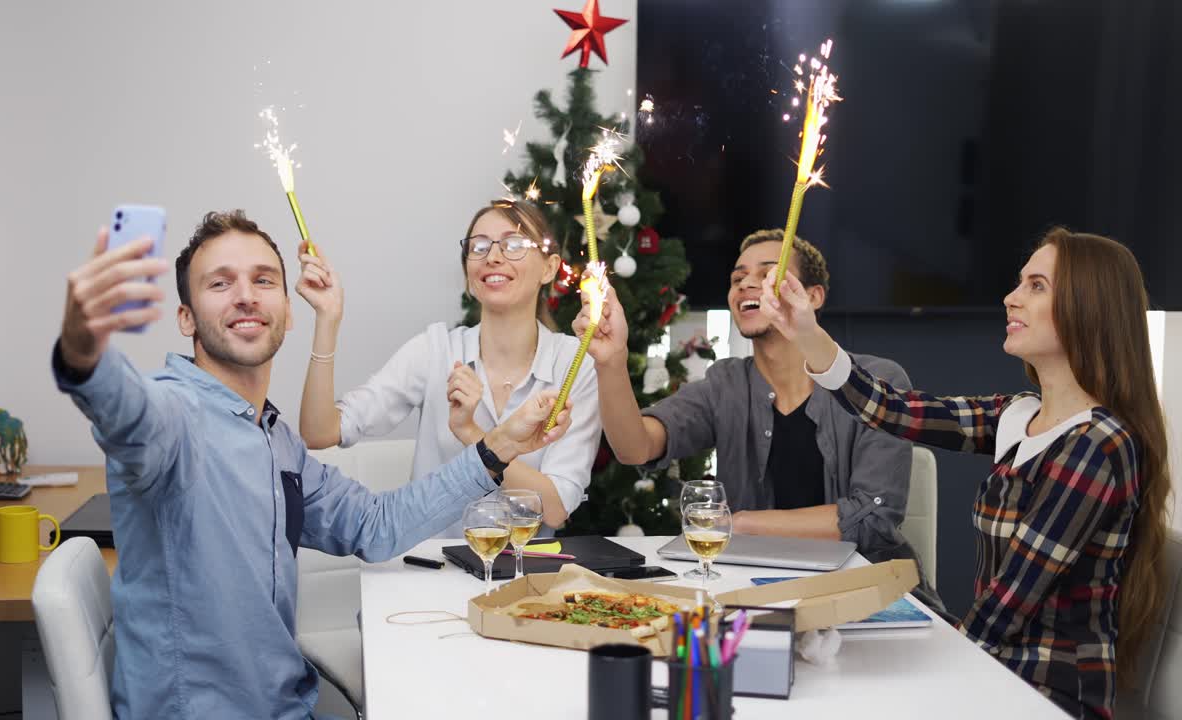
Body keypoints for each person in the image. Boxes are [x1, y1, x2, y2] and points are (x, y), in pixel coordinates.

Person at [53, 210, 572, 719]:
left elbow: (376, 524)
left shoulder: (274, 439)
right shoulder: (174, 415)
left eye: (263, 280)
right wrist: (84, 353)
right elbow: (127, 409)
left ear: (287, 310)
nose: (245, 295)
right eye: (220, 283)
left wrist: (496, 446)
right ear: (186, 317)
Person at [759, 227, 1171, 719]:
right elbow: (895, 409)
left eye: (1037, 286)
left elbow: (1010, 601)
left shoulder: (1098, 444)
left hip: (1045, 695)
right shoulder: (1021, 414)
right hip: (992, 671)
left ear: (1089, 307)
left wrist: (927, 663)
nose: (1011, 298)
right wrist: (806, 332)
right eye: (1020, 282)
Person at [576, 229, 923, 569]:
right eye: (737, 278)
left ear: (813, 296)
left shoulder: (876, 382)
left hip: (863, 585)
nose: (745, 284)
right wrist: (611, 361)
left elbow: (874, 518)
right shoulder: (725, 384)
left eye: (768, 274)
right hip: (753, 586)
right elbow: (635, 448)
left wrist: (739, 523)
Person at [298, 199, 602, 533]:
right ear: (468, 273)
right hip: (432, 563)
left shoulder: (575, 365)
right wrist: (327, 318)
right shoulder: (434, 350)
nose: (493, 257)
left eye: (514, 244)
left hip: (526, 565)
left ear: (549, 268)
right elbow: (319, 432)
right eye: (479, 247)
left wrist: (471, 433)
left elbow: (555, 509)